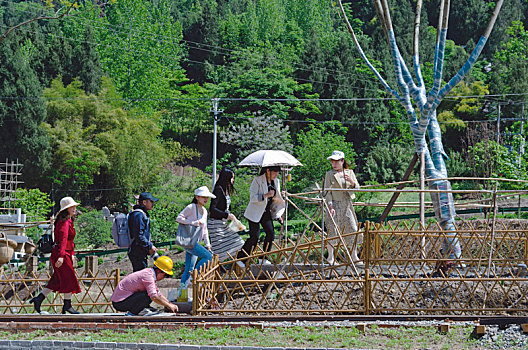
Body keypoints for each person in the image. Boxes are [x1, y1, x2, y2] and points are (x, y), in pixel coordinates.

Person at [30, 197, 82, 314]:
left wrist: (72, 254)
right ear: (66, 209)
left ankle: (39, 299)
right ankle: (67, 306)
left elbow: (70, 241)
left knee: (57, 280)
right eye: (72, 207)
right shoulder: (63, 222)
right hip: (61, 254)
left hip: (65, 253)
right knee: (69, 279)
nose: (75, 208)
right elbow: (63, 240)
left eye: (75, 206)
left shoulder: (68, 221)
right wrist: (62, 256)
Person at [236, 166, 285, 267]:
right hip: (255, 212)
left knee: (270, 233)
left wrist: (277, 214)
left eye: (277, 173)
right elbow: (253, 198)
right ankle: (241, 258)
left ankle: (263, 258)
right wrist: (266, 195)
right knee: (254, 237)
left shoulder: (276, 182)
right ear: (268, 171)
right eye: (275, 172)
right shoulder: (257, 180)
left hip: (266, 211)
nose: (276, 175)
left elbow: (276, 200)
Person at [324, 150, 362, 264]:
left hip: (347, 204)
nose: (334, 164)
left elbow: (357, 188)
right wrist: (330, 206)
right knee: (332, 229)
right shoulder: (329, 174)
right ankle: (331, 257)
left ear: (342, 161)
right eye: (332, 162)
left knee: (352, 228)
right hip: (335, 203)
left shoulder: (349, 172)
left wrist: (351, 181)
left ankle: (354, 256)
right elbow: (327, 191)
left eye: (336, 161)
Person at [111, 256, 179, 316]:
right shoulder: (148, 276)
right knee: (149, 294)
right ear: (159, 271)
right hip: (120, 303)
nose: (164, 278)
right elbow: (154, 296)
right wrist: (168, 305)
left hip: (122, 300)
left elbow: (158, 294)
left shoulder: (149, 274)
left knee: (151, 293)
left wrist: (170, 304)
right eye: (165, 275)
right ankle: (135, 311)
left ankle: (141, 309)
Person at [176, 186, 214, 288]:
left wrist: (208, 244)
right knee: (208, 257)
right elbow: (179, 218)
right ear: (197, 197)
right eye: (203, 197)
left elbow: (204, 229)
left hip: (194, 241)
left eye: (207, 197)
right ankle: (195, 277)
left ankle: (181, 292)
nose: (206, 199)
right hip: (190, 241)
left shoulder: (205, 211)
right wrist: (192, 223)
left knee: (189, 268)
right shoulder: (191, 207)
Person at [208, 168, 244, 261]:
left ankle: (236, 262)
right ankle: (217, 268)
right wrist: (226, 215)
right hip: (215, 224)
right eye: (232, 178)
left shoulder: (225, 189)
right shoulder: (218, 189)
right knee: (219, 251)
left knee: (238, 242)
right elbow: (212, 209)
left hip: (223, 223)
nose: (233, 180)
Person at [128, 192, 158, 272]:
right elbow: (139, 235)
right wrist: (149, 246)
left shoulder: (141, 214)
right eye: (151, 201)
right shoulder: (138, 215)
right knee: (140, 277)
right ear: (144, 202)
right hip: (137, 252)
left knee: (140, 277)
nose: (153, 204)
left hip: (140, 251)